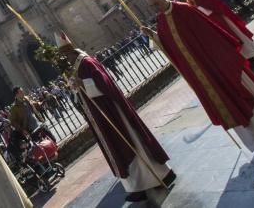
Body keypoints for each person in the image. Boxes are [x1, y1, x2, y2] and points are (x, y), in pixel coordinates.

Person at [144, 0, 254, 155]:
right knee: (228, 104)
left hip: (218, 64)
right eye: (152, 7)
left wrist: (223, 61)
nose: (155, 8)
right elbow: (169, 46)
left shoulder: (185, 9)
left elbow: (210, 33)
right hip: (204, 73)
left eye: (156, 3)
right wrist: (154, 37)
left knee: (242, 95)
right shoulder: (161, 20)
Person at [58, 33, 173, 202]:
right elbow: (82, 90)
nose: (66, 61)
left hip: (110, 111)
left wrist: (82, 84)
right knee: (121, 147)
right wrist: (76, 86)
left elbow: (103, 82)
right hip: (101, 114)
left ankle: (152, 179)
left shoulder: (86, 62)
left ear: (72, 52)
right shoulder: (77, 66)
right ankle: (146, 181)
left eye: (66, 57)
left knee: (128, 143)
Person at [175, 0, 254, 64]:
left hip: (217, 16)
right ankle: (245, 59)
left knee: (235, 35)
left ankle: (252, 55)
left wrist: (199, 9)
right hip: (211, 20)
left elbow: (212, 1)